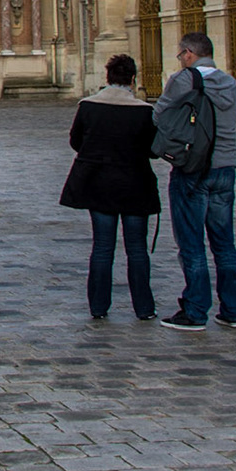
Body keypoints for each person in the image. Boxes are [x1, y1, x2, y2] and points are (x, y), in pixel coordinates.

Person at [153, 32, 236, 330]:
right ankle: (233, 309)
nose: (180, 60)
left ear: (189, 54)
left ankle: (195, 309)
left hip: (193, 168)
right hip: (226, 168)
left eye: (181, 55)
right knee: (225, 244)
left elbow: (159, 116)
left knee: (192, 243)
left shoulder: (184, 80)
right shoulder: (230, 83)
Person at [60, 54, 160, 321]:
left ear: (108, 78)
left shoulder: (89, 107)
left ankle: (98, 306)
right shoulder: (144, 111)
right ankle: (144, 307)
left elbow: (76, 141)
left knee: (103, 247)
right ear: (133, 79)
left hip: (99, 183)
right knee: (137, 249)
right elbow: (152, 150)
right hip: (134, 184)